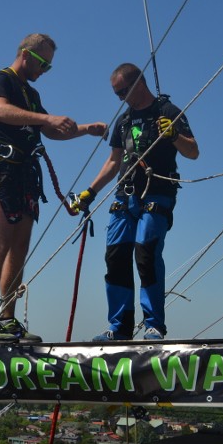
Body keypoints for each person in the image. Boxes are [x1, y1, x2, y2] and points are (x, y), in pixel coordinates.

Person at [0, 33, 108, 342]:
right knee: (0, 243)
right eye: (43, 65)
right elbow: (0, 111)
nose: (44, 71)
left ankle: (7, 319)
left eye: (48, 67)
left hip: (26, 172)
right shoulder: (1, 80)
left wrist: (85, 129)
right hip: (2, 169)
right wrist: (46, 117)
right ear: (25, 55)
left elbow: (49, 132)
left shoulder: (32, 94)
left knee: (20, 247)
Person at [74, 63, 199, 341]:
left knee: (146, 253)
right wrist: (89, 193)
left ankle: (154, 325)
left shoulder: (167, 112)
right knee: (116, 257)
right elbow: (113, 162)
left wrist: (174, 136)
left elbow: (193, 152)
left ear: (137, 84)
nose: (119, 98)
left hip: (156, 194)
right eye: (116, 93)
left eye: (122, 92)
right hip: (124, 196)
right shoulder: (124, 121)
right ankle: (119, 328)